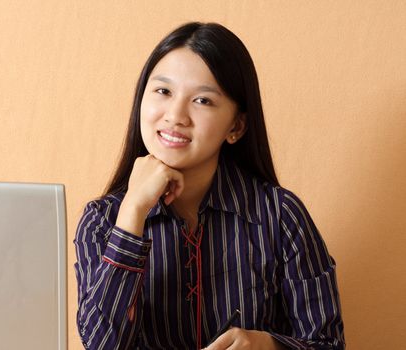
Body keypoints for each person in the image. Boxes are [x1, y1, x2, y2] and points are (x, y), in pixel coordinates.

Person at [74, 22, 345, 350]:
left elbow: (329, 344)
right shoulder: (102, 221)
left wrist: (267, 345)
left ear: (237, 125)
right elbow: (101, 345)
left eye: (202, 100)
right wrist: (132, 212)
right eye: (163, 91)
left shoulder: (281, 216)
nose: (175, 115)